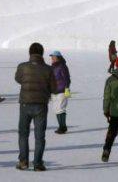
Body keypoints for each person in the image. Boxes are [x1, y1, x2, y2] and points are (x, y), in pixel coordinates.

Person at [15, 42, 58, 171]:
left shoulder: (22, 67)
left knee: (23, 134)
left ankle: (23, 161)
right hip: (41, 104)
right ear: (42, 53)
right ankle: (38, 163)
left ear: (30, 53)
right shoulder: (48, 69)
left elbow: (18, 79)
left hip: (25, 103)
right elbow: (54, 88)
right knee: (39, 136)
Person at [49, 50, 71, 134]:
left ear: (58, 58)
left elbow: (67, 79)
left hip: (62, 90)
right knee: (56, 109)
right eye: (52, 57)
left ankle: (63, 127)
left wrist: (67, 90)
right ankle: (61, 126)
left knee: (61, 108)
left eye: (53, 57)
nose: (52, 58)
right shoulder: (52, 67)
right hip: (54, 91)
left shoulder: (62, 66)